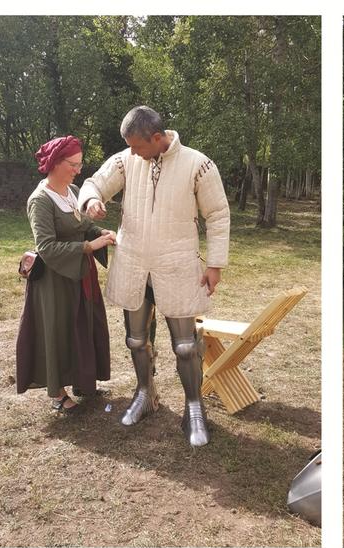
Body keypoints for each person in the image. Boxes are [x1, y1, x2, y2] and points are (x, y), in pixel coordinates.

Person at [78, 105, 230, 447]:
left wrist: (215, 264)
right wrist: (90, 202)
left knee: (186, 345)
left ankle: (194, 407)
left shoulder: (198, 164)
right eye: (129, 146)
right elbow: (94, 183)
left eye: (138, 145)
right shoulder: (127, 161)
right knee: (135, 339)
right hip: (133, 261)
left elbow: (218, 214)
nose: (132, 152)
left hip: (176, 264)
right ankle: (146, 393)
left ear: (158, 138)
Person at [16, 136, 116, 413]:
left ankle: (82, 381)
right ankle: (57, 393)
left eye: (79, 163)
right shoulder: (40, 200)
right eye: (73, 164)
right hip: (54, 281)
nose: (78, 169)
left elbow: (83, 226)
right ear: (56, 163)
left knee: (81, 327)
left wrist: (101, 234)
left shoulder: (72, 191)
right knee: (58, 332)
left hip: (80, 275)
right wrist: (88, 246)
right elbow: (45, 246)